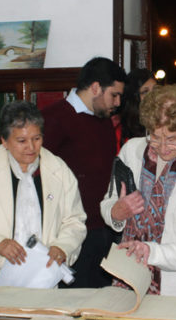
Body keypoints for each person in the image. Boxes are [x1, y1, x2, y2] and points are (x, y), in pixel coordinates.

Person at [101, 85, 176, 299]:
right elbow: (108, 203)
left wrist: (152, 252)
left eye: (172, 138)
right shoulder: (131, 152)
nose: (163, 147)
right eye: (154, 136)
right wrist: (116, 213)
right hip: (127, 278)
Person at [0, 101, 86, 274]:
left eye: (37, 139)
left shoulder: (57, 169)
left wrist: (63, 247)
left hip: (42, 273)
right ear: (4, 141)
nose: (31, 147)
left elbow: (74, 220)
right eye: (21, 141)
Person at [42, 57, 125, 287]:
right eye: (114, 95)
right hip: (70, 234)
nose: (117, 102)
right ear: (95, 87)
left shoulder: (104, 121)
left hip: (103, 228)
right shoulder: (54, 118)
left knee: (102, 302)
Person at [114, 68, 154, 149]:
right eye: (145, 92)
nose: (153, 96)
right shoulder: (118, 128)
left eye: (156, 90)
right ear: (133, 97)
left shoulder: (165, 122)